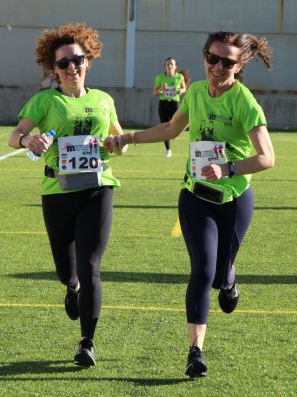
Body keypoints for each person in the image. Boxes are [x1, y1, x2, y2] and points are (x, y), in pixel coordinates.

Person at [105, 31, 275, 378]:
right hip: (195, 195)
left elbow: (267, 158)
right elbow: (171, 128)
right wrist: (130, 137)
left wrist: (227, 167)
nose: (216, 66)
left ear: (239, 65)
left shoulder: (244, 102)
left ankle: (229, 281)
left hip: (234, 198)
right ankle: (195, 351)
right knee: (201, 270)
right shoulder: (195, 92)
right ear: (204, 58)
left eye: (226, 61)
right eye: (211, 58)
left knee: (219, 273)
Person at [8, 23, 127, 368]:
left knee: (91, 265)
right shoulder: (45, 101)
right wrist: (27, 141)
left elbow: (119, 143)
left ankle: (87, 342)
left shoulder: (103, 100)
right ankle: (71, 288)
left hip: (97, 187)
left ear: (88, 61)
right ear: (54, 69)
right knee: (67, 270)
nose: (72, 67)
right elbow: (14, 134)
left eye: (77, 59)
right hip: (57, 191)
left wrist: (118, 145)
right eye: (63, 63)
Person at [153, 57, 186, 157]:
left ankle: (174, 133)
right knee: (164, 126)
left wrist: (181, 91)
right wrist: (161, 90)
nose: (169, 66)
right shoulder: (160, 78)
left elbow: (184, 88)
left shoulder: (179, 77)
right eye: (167, 64)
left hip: (174, 103)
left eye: (171, 64)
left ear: (175, 66)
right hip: (163, 103)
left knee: (175, 124)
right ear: (165, 67)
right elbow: (154, 92)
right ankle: (168, 149)